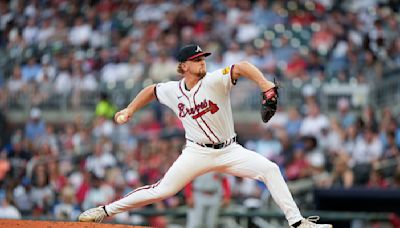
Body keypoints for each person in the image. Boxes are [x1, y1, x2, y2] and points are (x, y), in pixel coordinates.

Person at [79, 44, 332, 228]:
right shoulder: (173, 90)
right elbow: (151, 90)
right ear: (184, 66)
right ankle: (104, 210)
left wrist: (265, 85)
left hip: (230, 150)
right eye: (196, 59)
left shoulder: (214, 81)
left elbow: (242, 67)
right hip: (196, 152)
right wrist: (130, 109)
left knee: (270, 169)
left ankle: (297, 223)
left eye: (203, 58)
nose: (202, 62)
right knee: (161, 191)